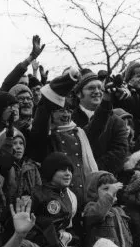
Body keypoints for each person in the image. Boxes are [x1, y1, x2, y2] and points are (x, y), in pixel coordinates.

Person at [29, 68, 98, 209]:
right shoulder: (46, 135)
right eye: (61, 110)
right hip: (56, 198)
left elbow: (100, 123)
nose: (66, 114)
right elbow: (43, 112)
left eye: (69, 110)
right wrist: (66, 82)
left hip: (81, 194)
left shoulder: (79, 132)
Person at [72, 71, 130, 173]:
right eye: (91, 88)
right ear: (78, 93)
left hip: (106, 181)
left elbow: (119, 154)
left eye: (99, 87)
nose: (97, 91)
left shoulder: (117, 122)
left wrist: (94, 171)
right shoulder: (70, 120)